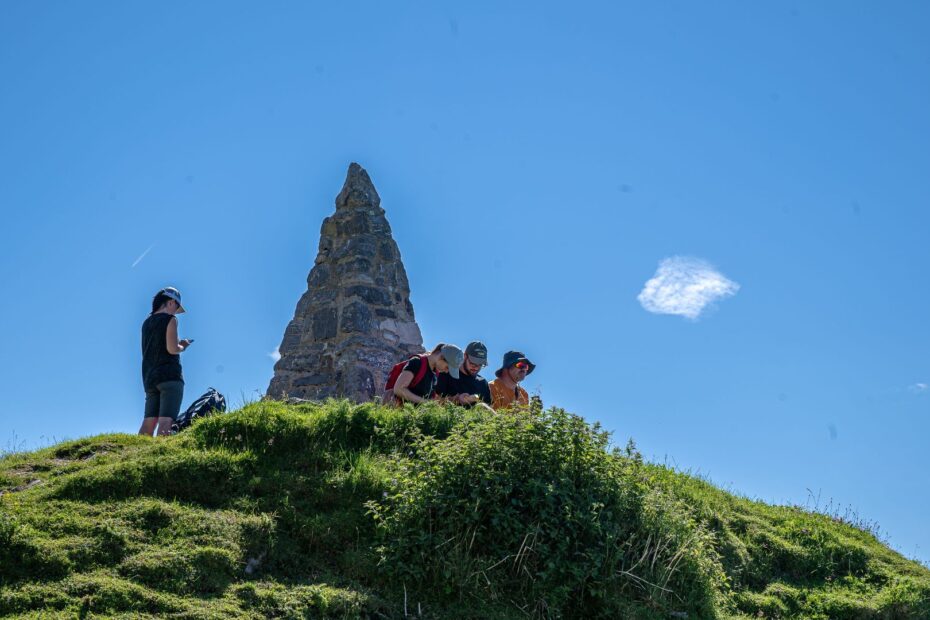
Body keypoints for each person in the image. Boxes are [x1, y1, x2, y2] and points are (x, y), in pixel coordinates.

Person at [139, 287, 192, 436]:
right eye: (176, 307)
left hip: (150, 378)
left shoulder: (146, 323)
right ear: (170, 302)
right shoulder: (170, 320)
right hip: (169, 376)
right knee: (166, 421)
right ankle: (161, 450)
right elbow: (172, 349)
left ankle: (139, 449)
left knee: (148, 422)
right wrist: (183, 345)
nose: (175, 312)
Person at [392, 343, 464, 405]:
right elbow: (398, 389)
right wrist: (425, 402)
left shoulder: (435, 373)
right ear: (441, 357)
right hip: (401, 412)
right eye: (447, 367)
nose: (446, 371)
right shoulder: (417, 362)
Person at [434, 341, 493, 408]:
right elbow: (433, 401)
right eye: (472, 363)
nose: (476, 367)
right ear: (465, 356)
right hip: (450, 413)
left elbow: (489, 409)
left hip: (475, 414)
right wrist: (457, 399)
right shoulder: (446, 372)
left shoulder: (483, 383)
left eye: (480, 364)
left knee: (483, 406)